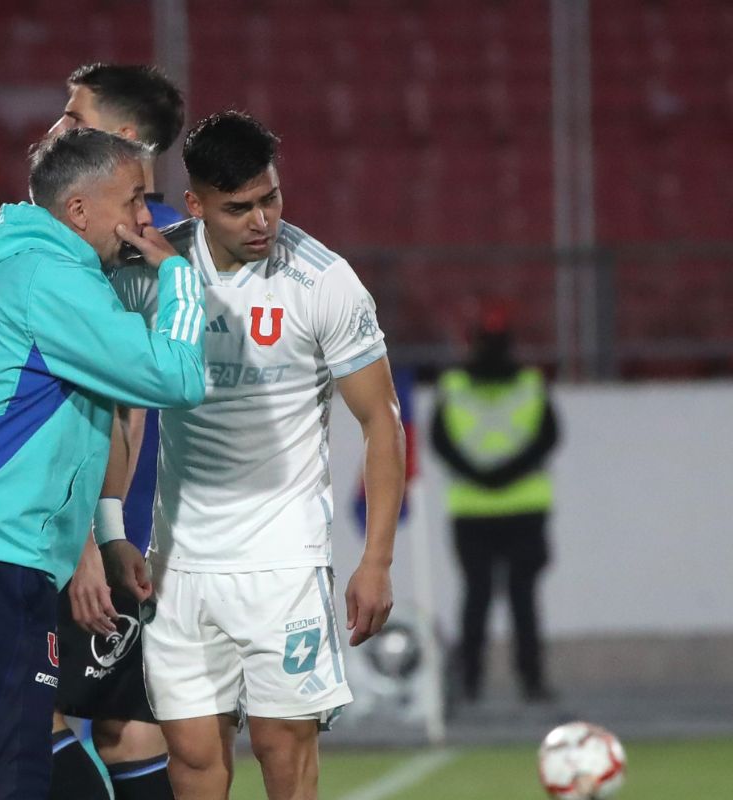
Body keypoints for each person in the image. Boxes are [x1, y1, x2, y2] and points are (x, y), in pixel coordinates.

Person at [0, 127, 207, 800]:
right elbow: (177, 377)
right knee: (15, 766)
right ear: (78, 211)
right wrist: (178, 276)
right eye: (133, 199)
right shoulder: (54, 279)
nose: (144, 217)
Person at [108, 112, 406, 800]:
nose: (261, 220)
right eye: (237, 207)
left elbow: (380, 421)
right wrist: (110, 531)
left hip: (285, 564)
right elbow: (118, 412)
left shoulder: (322, 280)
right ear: (195, 203)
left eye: (270, 198)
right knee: (193, 761)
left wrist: (377, 559)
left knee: (283, 751)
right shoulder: (153, 274)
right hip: (181, 563)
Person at [45, 63, 186, 800]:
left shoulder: (115, 246)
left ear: (122, 138)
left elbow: (115, 399)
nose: (57, 126)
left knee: (18, 710)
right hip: (143, 524)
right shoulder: (176, 239)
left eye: (74, 116)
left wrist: (93, 540)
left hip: (101, 526)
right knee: (126, 721)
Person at [430, 303, 559, 704]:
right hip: (520, 506)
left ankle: (474, 682)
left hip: (475, 508)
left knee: (481, 597)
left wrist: (480, 476)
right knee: (516, 598)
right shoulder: (530, 384)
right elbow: (547, 438)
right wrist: (507, 475)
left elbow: (442, 443)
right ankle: (527, 682)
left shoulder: (456, 386)